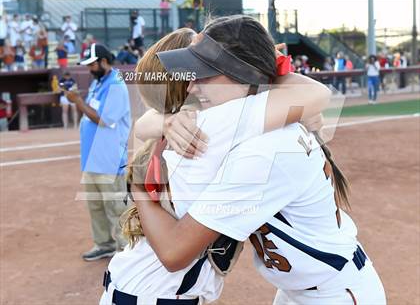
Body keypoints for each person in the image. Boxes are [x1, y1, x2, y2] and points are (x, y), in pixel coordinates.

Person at [132, 15, 385, 304]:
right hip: (305, 287)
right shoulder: (259, 119)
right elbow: (152, 118)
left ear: (241, 77)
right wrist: (164, 121)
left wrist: (136, 184)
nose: (190, 87)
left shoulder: (261, 145)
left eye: (203, 73)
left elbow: (175, 251)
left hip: (334, 293)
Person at [99, 21, 332, 305]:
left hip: (137, 283)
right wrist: (268, 66)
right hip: (155, 293)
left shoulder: (175, 125)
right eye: (193, 72)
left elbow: (144, 124)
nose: (195, 82)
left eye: (201, 70)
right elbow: (317, 95)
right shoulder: (208, 126)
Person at [65, 43, 131, 261]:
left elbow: (103, 120)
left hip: (109, 159)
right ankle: (104, 244)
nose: (89, 69)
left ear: (104, 61)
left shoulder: (116, 85)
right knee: (96, 206)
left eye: (92, 64)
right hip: (92, 159)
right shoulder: (99, 82)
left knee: (115, 206)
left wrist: (78, 101)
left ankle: (126, 250)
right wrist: (79, 99)